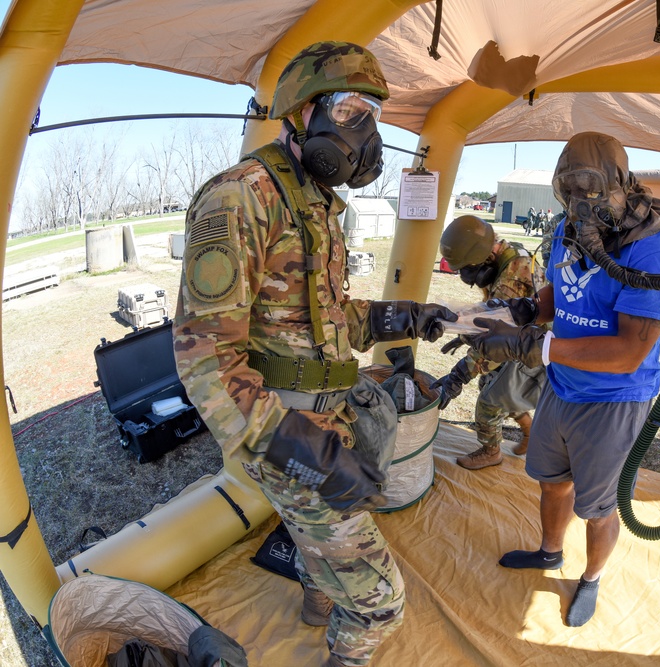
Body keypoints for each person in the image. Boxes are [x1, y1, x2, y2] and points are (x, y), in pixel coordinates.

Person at [172, 41, 456, 667]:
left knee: (329, 546)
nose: (367, 131)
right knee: (380, 602)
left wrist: (399, 316)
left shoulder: (319, 205)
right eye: (352, 108)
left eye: (373, 113)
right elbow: (203, 362)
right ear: (302, 114)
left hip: (328, 413)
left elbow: (326, 322)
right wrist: (309, 450)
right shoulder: (241, 197)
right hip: (282, 428)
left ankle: (316, 598)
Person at [466, 132, 660, 627]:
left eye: (593, 191)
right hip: (563, 387)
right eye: (571, 193)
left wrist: (537, 347)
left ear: (623, 186)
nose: (582, 205)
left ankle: (591, 579)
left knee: (598, 506)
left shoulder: (654, 252)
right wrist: (529, 310)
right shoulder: (572, 225)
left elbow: (630, 351)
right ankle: (550, 552)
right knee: (551, 483)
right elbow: (563, 286)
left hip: (612, 400)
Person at [432, 215, 547, 469]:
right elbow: (491, 314)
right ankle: (529, 431)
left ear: (484, 257)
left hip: (537, 349)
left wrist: (458, 377)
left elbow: (496, 343)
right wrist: (464, 331)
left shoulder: (513, 275)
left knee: (489, 399)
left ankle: (491, 451)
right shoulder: (508, 257)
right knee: (493, 383)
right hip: (527, 342)